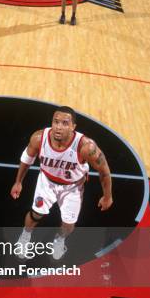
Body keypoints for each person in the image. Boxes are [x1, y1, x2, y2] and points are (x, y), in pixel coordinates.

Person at [10, 106, 113, 261]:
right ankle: (25, 236)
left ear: (73, 127)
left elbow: (104, 171)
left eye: (65, 123)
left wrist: (107, 196)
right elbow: (26, 159)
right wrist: (18, 182)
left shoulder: (86, 147)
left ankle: (59, 240)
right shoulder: (39, 138)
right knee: (36, 213)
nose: (58, 127)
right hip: (46, 182)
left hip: (73, 187)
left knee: (68, 223)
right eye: (56, 122)